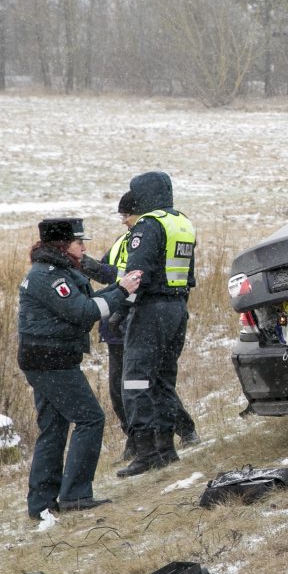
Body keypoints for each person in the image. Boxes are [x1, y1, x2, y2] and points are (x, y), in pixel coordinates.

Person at [18, 217, 142, 519]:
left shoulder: (56, 271)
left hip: (46, 359)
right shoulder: (49, 277)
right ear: (62, 245)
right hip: (52, 361)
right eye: (78, 242)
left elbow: (84, 303)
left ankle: (41, 503)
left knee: (54, 428)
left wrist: (119, 288)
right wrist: (121, 292)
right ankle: (75, 495)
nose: (84, 248)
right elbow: (83, 312)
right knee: (90, 419)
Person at [81, 192, 198, 463]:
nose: (124, 221)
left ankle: (167, 440)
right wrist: (89, 267)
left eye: (126, 215)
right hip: (126, 321)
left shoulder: (149, 233)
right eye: (121, 216)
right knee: (126, 388)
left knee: (143, 383)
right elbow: (112, 272)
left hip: (139, 314)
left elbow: (135, 277)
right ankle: (140, 444)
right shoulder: (128, 239)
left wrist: (118, 307)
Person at [116, 171, 198, 478]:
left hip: (151, 310)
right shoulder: (182, 222)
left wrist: (120, 308)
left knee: (136, 381)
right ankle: (166, 448)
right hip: (177, 308)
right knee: (164, 379)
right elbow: (188, 275)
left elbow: (137, 274)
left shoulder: (148, 225)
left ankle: (146, 452)